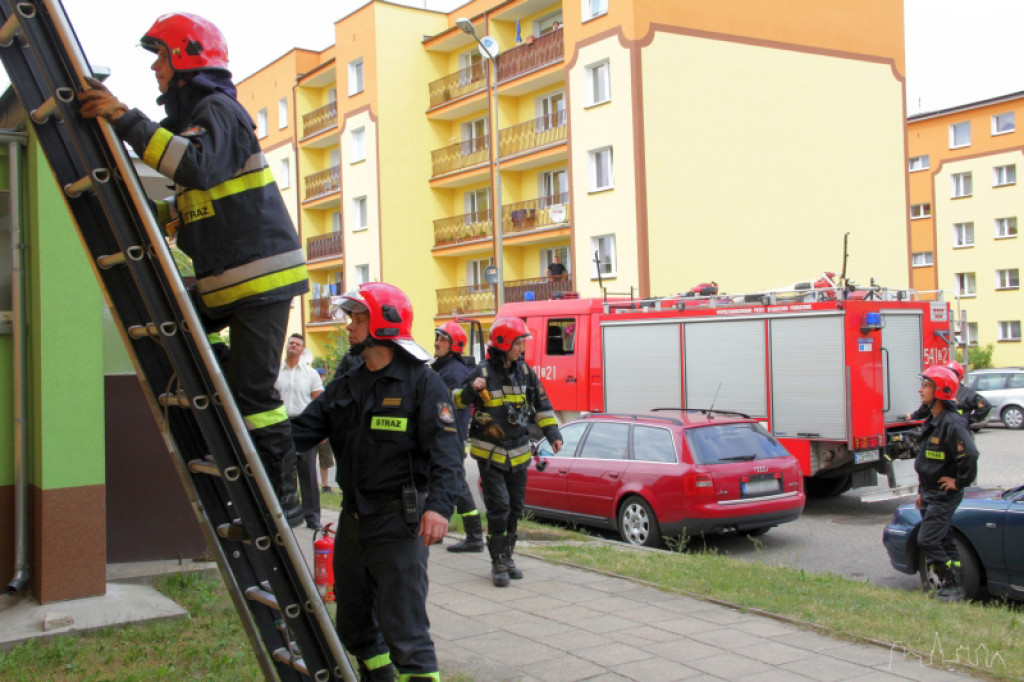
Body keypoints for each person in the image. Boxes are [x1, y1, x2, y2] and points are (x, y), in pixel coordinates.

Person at [78, 13, 310, 525]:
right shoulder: (195, 117)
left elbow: (193, 165)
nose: (155, 69)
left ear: (186, 57)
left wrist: (122, 117)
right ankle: (222, 372)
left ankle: (283, 497)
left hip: (257, 280)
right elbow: (197, 198)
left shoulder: (218, 110)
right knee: (168, 320)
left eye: (160, 56)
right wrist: (151, 217)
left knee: (255, 394)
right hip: (226, 280)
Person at [290, 282, 463, 682]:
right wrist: (252, 432)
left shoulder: (421, 383)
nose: (350, 325)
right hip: (354, 523)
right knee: (354, 628)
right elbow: (301, 432)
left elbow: (447, 452)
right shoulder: (347, 383)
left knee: (406, 634)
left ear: (385, 323)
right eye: (350, 316)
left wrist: (438, 507)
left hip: (398, 524)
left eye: (359, 317)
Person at [454, 317, 563, 587]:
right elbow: (455, 397)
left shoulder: (525, 372)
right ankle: (497, 562)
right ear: (503, 344)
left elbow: (542, 402)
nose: (522, 348)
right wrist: (471, 389)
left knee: (515, 508)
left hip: (519, 454)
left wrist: (553, 433)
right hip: (491, 455)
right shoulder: (482, 372)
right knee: (499, 508)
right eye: (518, 342)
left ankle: (508, 556)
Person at [913, 365, 979, 602]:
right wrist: (922, 492)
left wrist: (959, 482)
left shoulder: (952, 422)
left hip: (944, 494)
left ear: (939, 390)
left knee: (927, 539)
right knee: (944, 540)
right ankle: (954, 589)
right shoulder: (933, 420)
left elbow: (970, 455)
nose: (921, 390)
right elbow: (927, 463)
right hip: (930, 493)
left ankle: (950, 586)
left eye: (926, 385)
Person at [432, 322, 484, 553]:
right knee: (442, 482)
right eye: (437, 338)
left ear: (455, 345)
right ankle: (438, 532)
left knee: (457, 484)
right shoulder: (446, 367)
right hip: (445, 437)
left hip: (448, 439)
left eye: (442, 339)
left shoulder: (452, 371)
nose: (436, 343)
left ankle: (474, 537)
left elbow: (445, 408)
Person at [275, 334, 324, 530]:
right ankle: (285, 514)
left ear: (303, 350)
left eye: (298, 344)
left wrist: (320, 429)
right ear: (287, 346)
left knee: (308, 473)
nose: (294, 346)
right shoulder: (276, 372)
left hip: (304, 425)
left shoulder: (310, 373)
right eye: (291, 343)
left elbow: (319, 402)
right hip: (280, 425)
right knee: (282, 471)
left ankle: (312, 518)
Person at [904, 361, 991, 431]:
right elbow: (926, 407)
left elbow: (986, 406)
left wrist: (969, 420)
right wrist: (913, 416)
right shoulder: (940, 392)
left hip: (957, 430)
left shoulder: (967, 394)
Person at [314, 367, 336, 493]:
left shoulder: (327, 391)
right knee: (308, 460)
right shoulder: (310, 390)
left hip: (324, 431)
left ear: (324, 377)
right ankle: (312, 484)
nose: (319, 377)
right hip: (314, 430)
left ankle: (325, 485)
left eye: (321, 375)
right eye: (317, 374)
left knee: (325, 460)